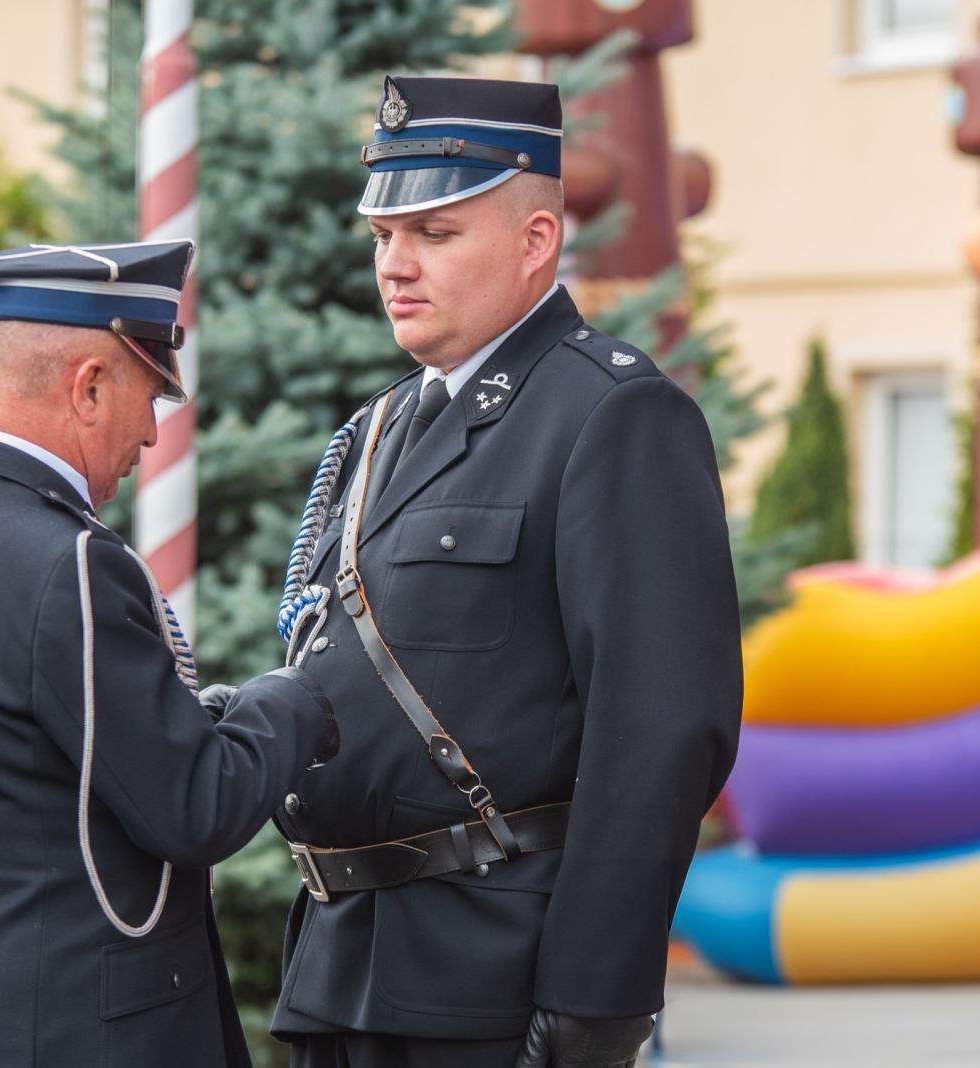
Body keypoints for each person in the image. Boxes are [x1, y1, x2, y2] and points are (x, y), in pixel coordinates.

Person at [268, 76, 744, 1068]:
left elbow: (660, 730)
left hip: (494, 981)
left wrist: (595, 998)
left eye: (434, 233)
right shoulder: (378, 429)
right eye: (382, 235)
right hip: (340, 974)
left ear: (536, 241)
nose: (394, 264)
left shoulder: (609, 414)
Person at [0, 240, 340, 1068]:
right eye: (147, 396)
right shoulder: (70, 561)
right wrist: (293, 695)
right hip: (85, 1021)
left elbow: (32, 759)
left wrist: (206, 716)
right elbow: (196, 806)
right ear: (89, 387)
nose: (150, 432)